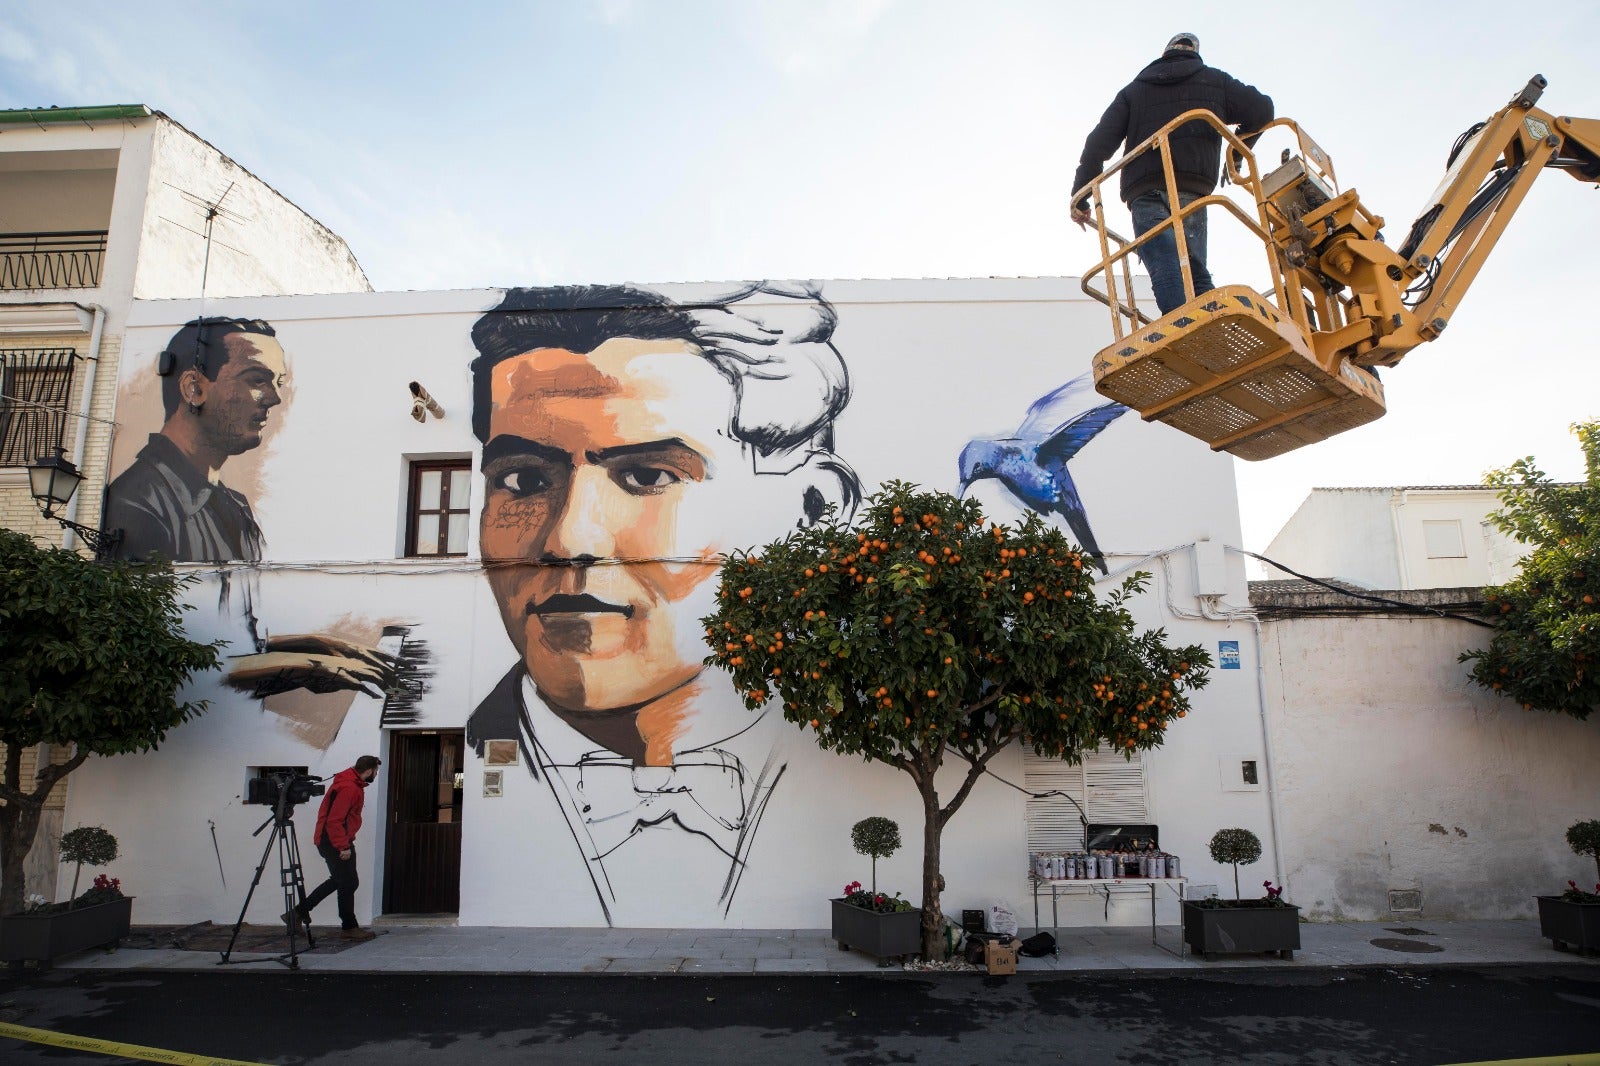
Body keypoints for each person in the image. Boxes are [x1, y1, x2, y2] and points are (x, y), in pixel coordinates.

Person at [465, 281, 860, 924]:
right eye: (524, 480)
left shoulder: (849, 731)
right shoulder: (480, 746)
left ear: (812, 510)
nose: (570, 538)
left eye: (648, 476)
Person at [1070, 32, 1274, 315]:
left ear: (1164, 53)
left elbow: (1097, 144)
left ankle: (1183, 326)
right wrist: (1236, 153)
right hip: (1191, 185)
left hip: (1144, 188)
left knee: (1163, 259)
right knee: (1193, 267)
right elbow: (1263, 110)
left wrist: (1080, 196)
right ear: (1194, 52)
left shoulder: (1134, 90)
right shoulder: (1215, 81)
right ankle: (1208, 321)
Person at [106, 317, 282, 563]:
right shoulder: (138, 502)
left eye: (278, 383)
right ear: (194, 389)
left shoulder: (237, 509)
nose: (274, 398)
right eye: (257, 380)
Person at [289, 755, 381, 940]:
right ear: (369, 770)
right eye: (376, 771)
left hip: (336, 838)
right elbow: (335, 820)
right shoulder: (349, 788)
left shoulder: (349, 783)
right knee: (346, 882)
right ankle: (348, 927)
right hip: (333, 840)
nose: (376, 775)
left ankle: (299, 913)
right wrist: (342, 846)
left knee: (344, 881)